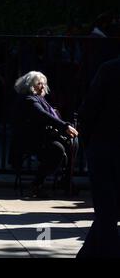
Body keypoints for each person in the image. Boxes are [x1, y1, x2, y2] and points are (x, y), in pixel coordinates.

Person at [77, 57, 120, 258]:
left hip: (103, 147)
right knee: (109, 211)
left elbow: (89, 109)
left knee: (106, 209)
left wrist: (88, 143)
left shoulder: (109, 68)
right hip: (105, 147)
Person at [10, 71, 79, 198]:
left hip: (42, 138)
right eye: (39, 83)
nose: (43, 86)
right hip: (29, 140)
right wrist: (64, 126)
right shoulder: (29, 99)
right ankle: (36, 184)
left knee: (72, 143)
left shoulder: (39, 98)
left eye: (44, 83)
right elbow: (43, 115)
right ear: (30, 85)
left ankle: (66, 180)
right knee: (58, 149)